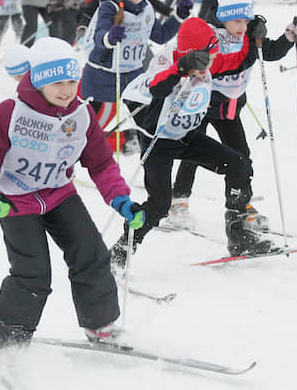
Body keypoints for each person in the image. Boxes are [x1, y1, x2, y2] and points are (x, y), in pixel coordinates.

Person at [0, 37, 143, 355]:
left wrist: (120, 198)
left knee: (91, 253)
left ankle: (99, 323)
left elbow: (101, 163)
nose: (66, 90)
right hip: (15, 200)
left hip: (59, 194)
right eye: (57, 82)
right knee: (32, 273)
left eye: (72, 81)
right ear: (40, 80)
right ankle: (6, 343)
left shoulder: (82, 116)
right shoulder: (11, 113)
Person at [112, 17, 287, 265]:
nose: (216, 60)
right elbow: (156, 87)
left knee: (238, 164)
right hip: (158, 142)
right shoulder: (167, 60)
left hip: (186, 137)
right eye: (211, 54)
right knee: (160, 205)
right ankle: (122, 249)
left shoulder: (210, 62)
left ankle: (239, 236)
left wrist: (252, 40)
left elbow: (236, 62)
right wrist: (180, 68)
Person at [168, 0, 297, 228]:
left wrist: (288, 37)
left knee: (242, 157)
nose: (241, 26)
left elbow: (268, 52)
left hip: (230, 108)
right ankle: (178, 200)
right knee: (194, 154)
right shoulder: (211, 36)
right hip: (204, 104)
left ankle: (240, 204)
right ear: (224, 16)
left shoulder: (249, 36)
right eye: (237, 21)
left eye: (246, 21)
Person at [80, 0, 188, 152]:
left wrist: (178, 17)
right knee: (87, 129)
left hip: (133, 75)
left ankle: (151, 168)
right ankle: (64, 160)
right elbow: (99, 35)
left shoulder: (146, 7)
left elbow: (160, 35)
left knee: (146, 125)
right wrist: (110, 37)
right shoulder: (109, 6)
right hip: (102, 76)